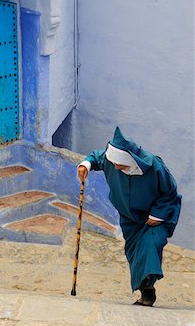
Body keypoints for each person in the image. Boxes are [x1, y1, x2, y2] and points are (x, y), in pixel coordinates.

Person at [77, 126, 181, 306]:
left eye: (121, 164)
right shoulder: (112, 160)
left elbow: (170, 192)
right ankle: (145, 290)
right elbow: (96, 157)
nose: (116, 167)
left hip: (154, 218)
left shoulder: (154, 167)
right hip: (129, 218)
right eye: (115, 164)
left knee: (151, 244)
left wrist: (157, 215)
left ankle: (148, 288)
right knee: (134, 253)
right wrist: (85, 164)